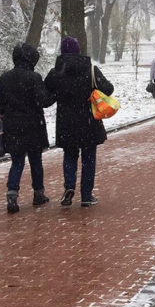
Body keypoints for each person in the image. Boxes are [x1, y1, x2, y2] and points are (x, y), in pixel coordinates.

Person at [45, 36, 114, 207]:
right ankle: (86, 195)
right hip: (88, 121)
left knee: (69, 156)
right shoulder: (90, 70)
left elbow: (45, 95)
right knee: (88, 158)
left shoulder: (56, 72)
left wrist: (59, 93)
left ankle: (69, 187)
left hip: (66, 122)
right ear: (78, 50)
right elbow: (108, 89)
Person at [0, 43, 55, 214]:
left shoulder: (5, 78)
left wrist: (6, 112)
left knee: (17, 162)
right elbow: (44, 101)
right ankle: (38, 193)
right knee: (36, 161)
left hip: (13, 126)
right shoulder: (34, 78)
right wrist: (55, 93)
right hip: (34, 126)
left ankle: (12, 194)